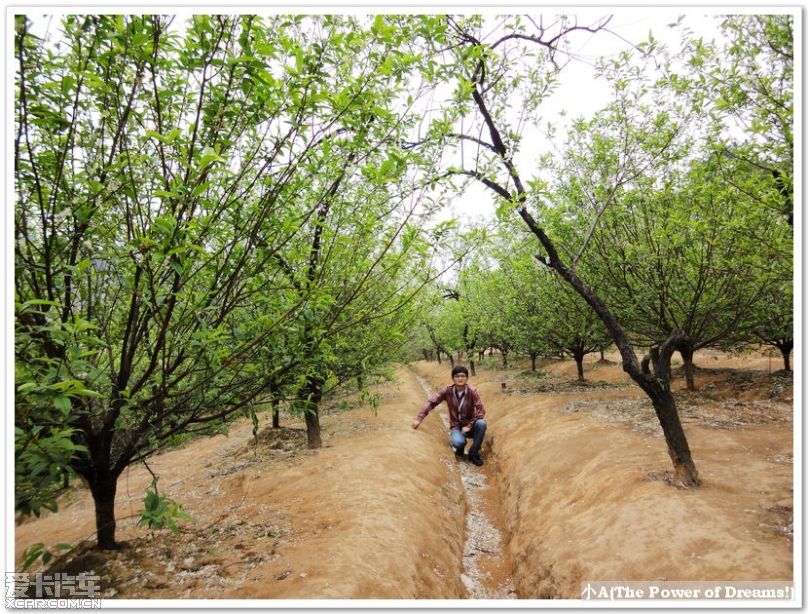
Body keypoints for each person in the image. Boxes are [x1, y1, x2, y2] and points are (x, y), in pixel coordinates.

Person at [411, 365, 487, 466]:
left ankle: (473, 453)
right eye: (457, 376)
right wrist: (419, 419)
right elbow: (431, 402)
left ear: (467, 378)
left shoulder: (472, 391)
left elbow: (480, 410)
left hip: (470, 426)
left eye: (463, 376)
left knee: (481, 423)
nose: (460, 378)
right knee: (458, 442)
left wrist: (469, 426)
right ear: (452, 379)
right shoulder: (447, 391)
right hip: (456, 426)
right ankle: (460, 449)